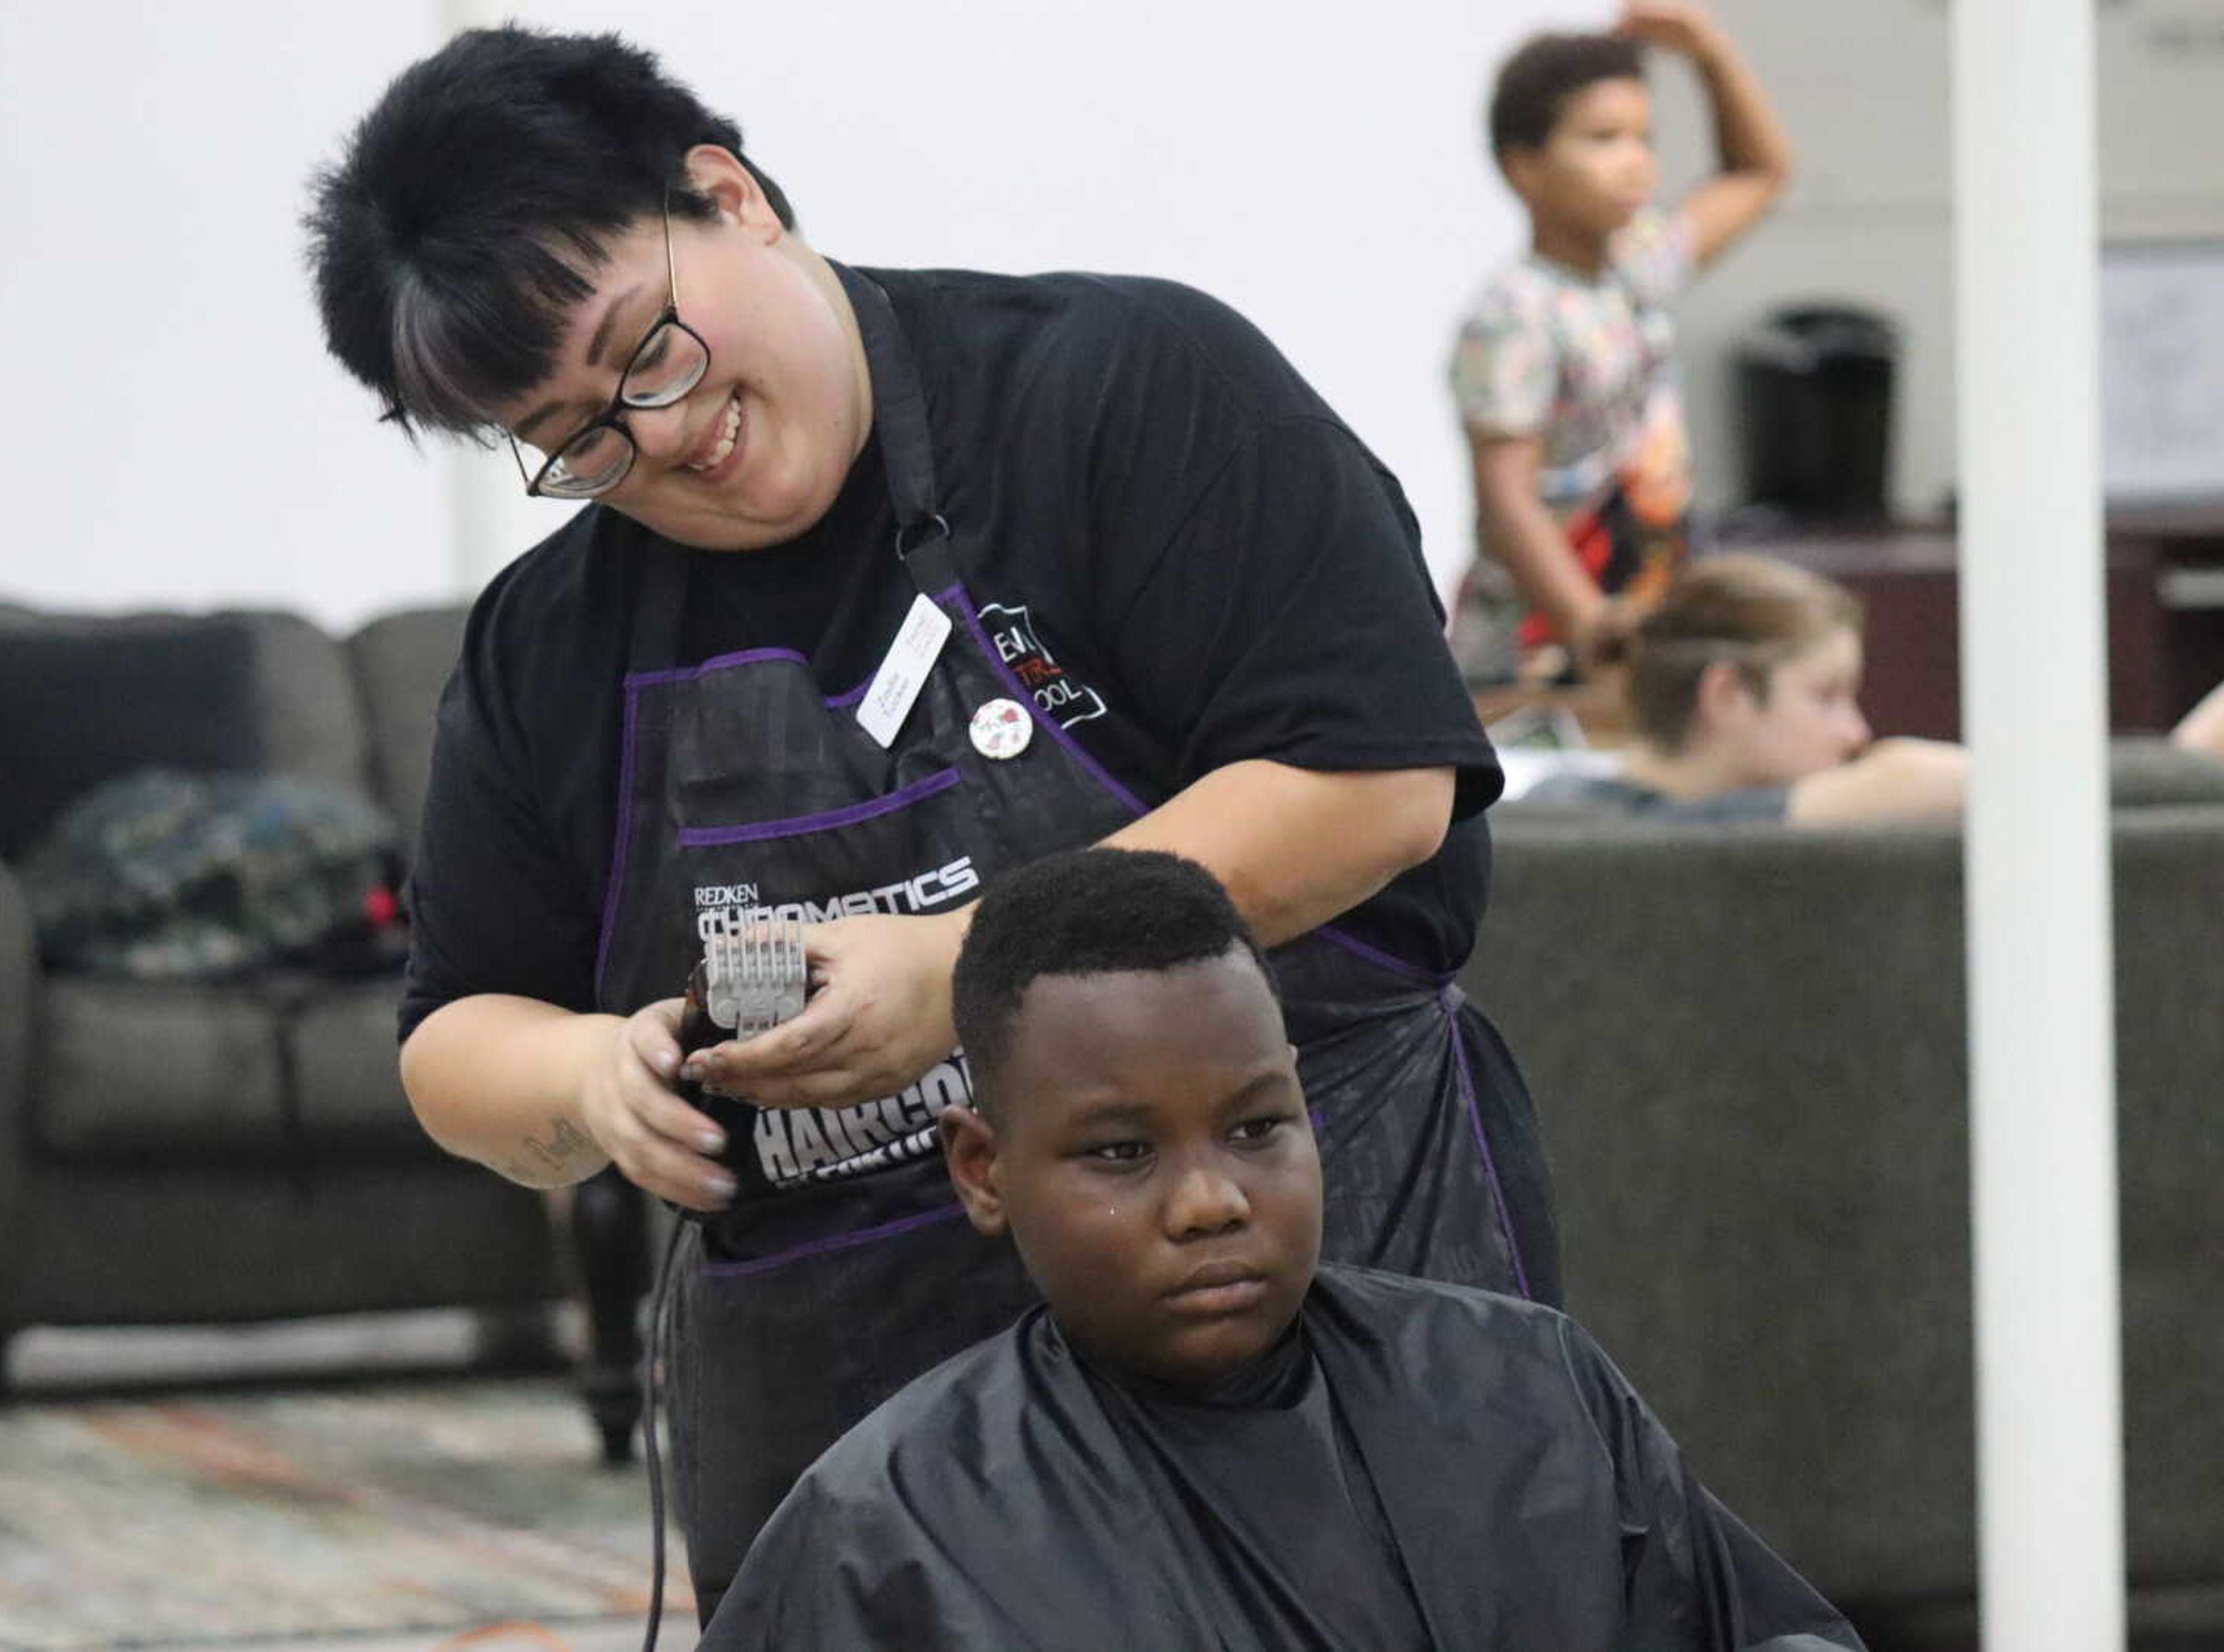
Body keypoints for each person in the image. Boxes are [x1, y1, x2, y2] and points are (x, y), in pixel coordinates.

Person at [305, 26, 1559, 1614]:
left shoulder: (1124, 392)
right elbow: (452, 1037)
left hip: (1323, 1297)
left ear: (729, 195)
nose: (662, 437)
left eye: (651, 352)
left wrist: (967, 969)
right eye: (576, 441)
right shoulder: (549, 645)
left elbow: (1375, 783)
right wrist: (584, 1077)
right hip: (862, 1415)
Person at [699, 847, 1865, 1651]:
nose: (1210, 1201)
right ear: (982, 1169)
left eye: (1258, 1128)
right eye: (1120, 1153)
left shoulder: (1524, 1392)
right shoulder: (894, 1527)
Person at [1449, 2, 1792, 688]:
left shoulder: (1638, 264)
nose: (1635, 163)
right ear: (1525, 167)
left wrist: (1710, 52)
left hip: (1641, 610)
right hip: (1543, 646)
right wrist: (1588, 624)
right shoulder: (1515, 312)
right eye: (1603, 139)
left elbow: (1759, 173)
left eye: (1644, 139)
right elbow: (1508, 497)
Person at [1520, 553, 2224, 822]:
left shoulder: (1553, 809)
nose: (1854, 731)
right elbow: (1907, 777)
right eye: (1826, 695)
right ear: (1727, 695)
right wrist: (2178, 766)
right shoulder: (1623, 824)